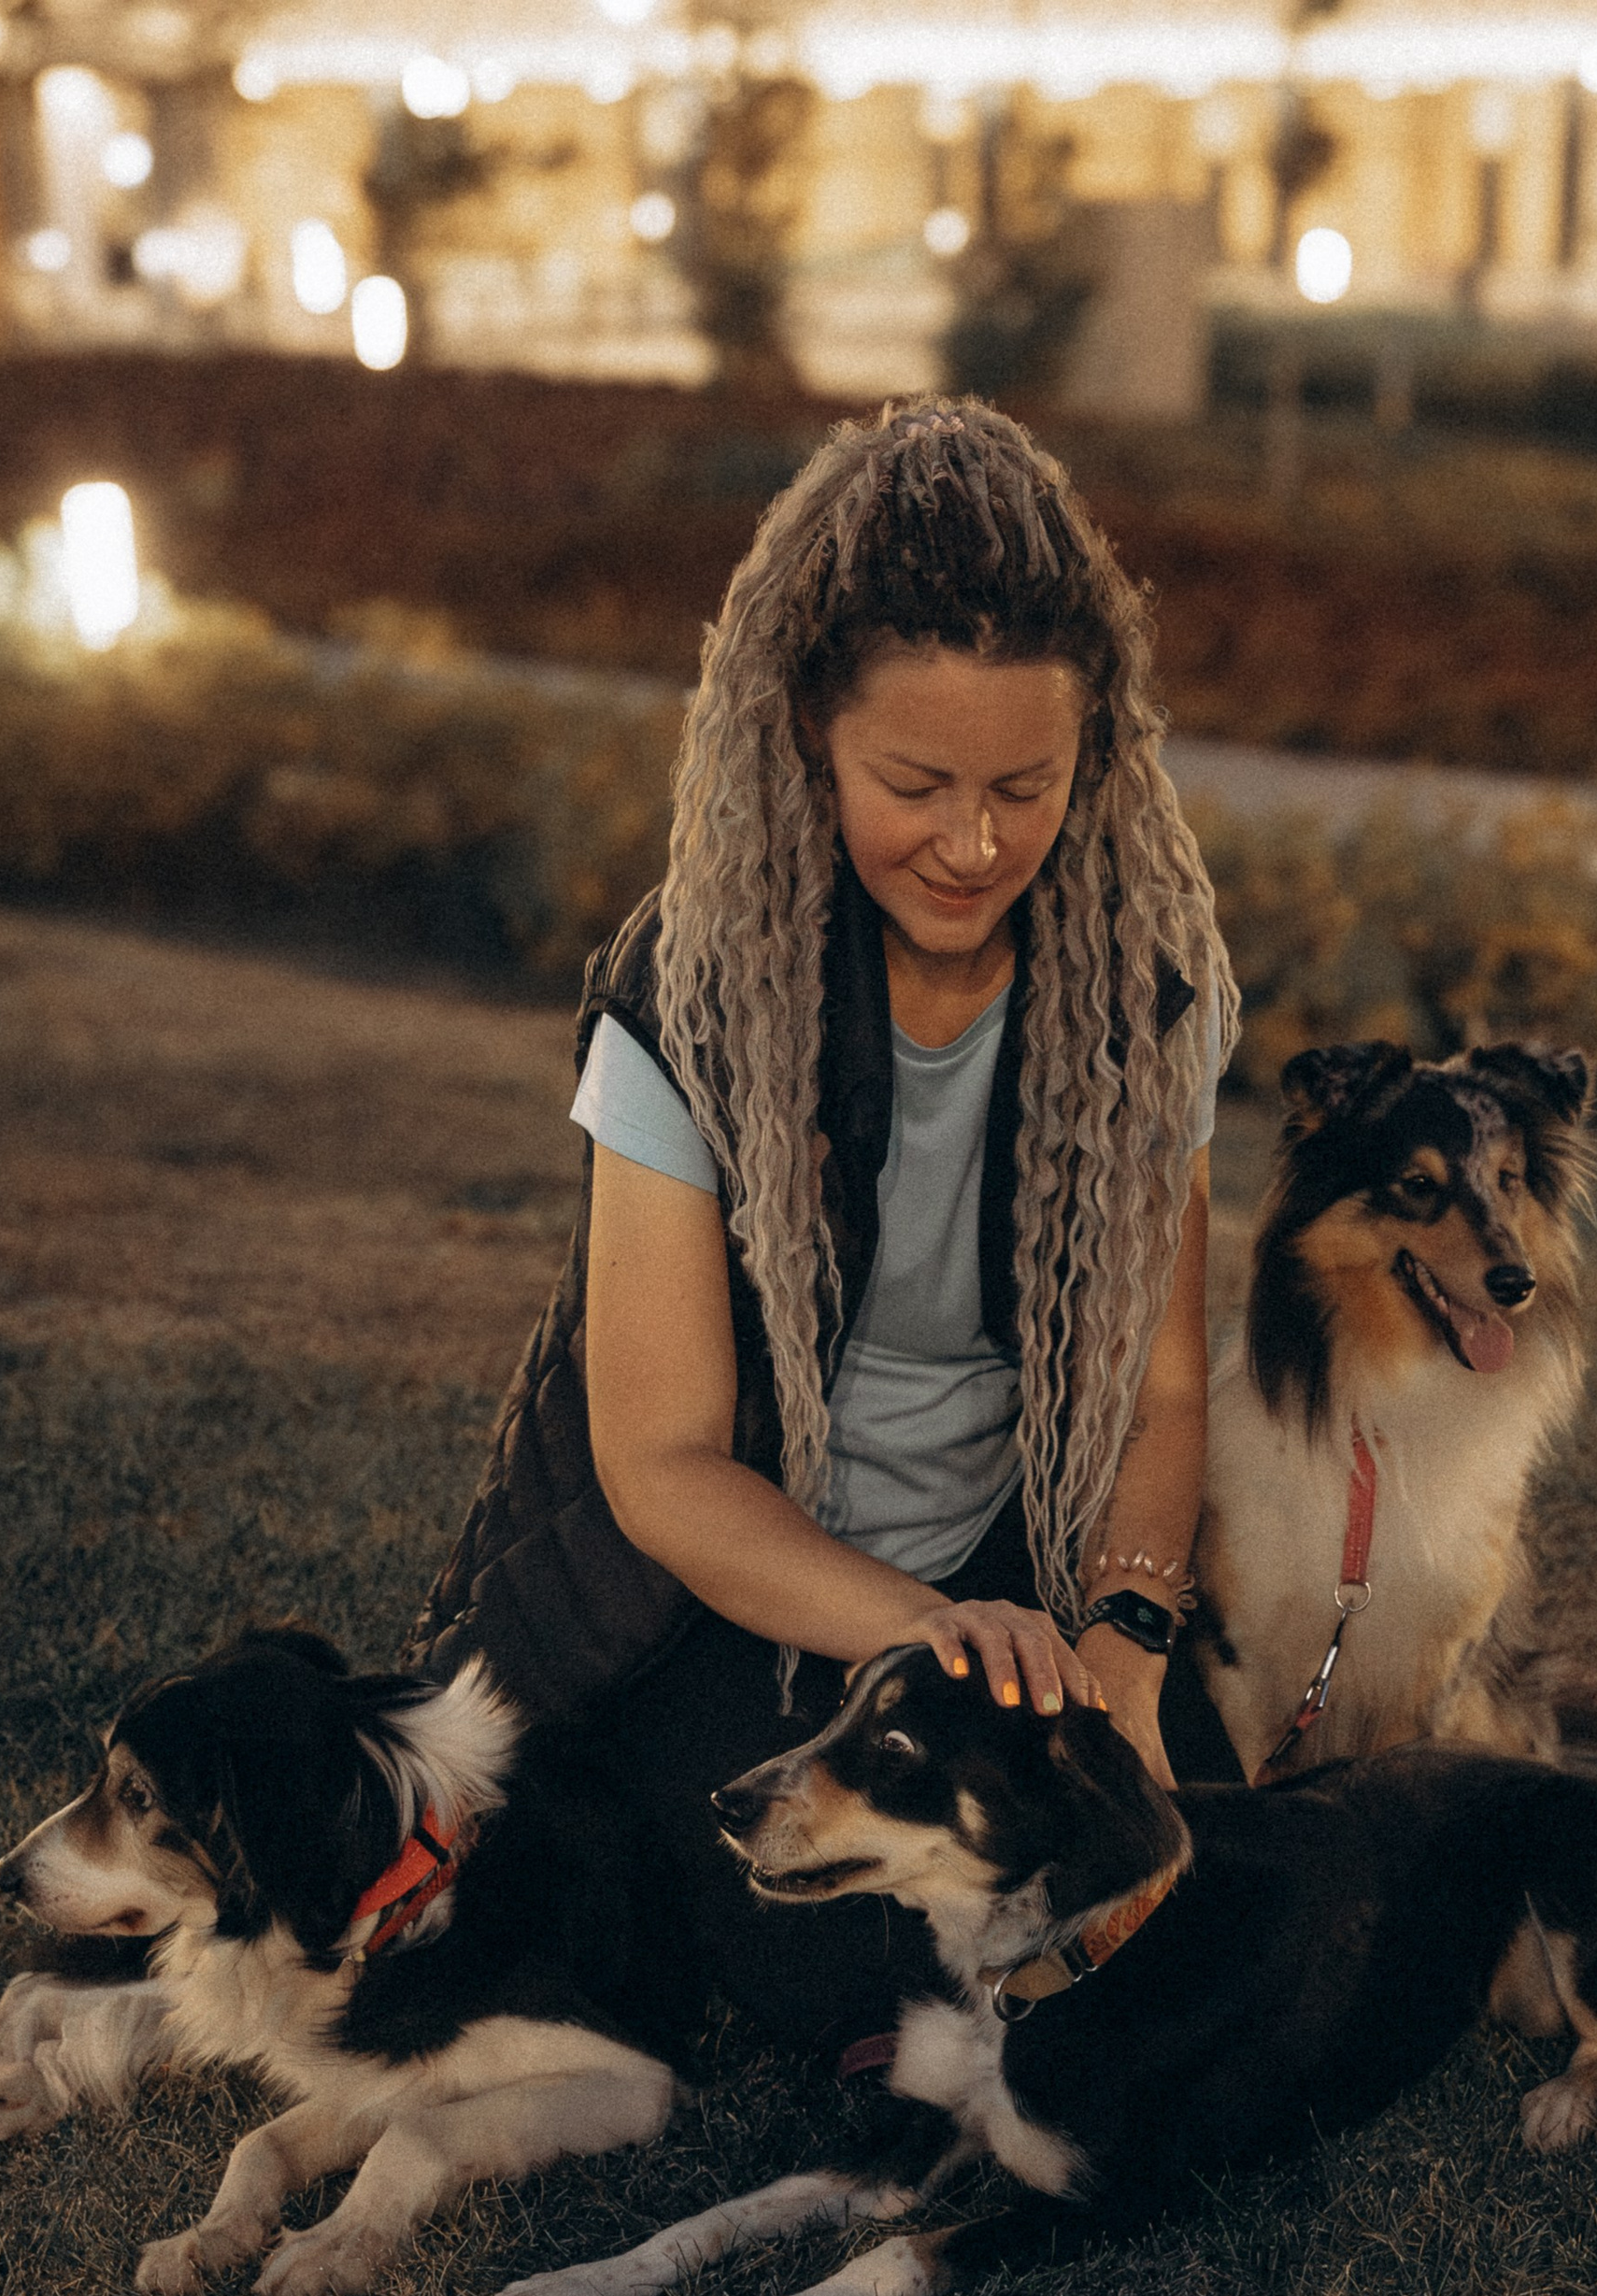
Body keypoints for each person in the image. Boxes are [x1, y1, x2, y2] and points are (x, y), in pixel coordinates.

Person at [416, 397, 1239, 2059]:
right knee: (815, 1963)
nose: (976, 841)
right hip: (745, 1586)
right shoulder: (690, 996)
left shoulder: (1144, 996)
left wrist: (1125, 1640)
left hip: (1023, 1570)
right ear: (806, 735)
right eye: (915, 781)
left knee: (1187, 1894)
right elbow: (662, 1465)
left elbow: (1158, 1395)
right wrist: (929, 1633)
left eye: (1030, 783)